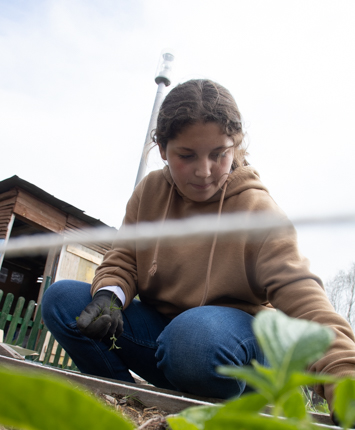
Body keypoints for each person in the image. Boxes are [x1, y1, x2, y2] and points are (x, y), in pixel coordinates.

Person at [42, 79, 355, 408]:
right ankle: (128, 403)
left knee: (192, 338)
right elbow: (125, 258)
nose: (204, 171)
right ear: (163, 148)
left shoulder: (257, 211)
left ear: (235, 146)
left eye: (219, 154)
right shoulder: (149, 192)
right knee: (62, 301)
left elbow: (305, 301)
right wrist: (109, 296)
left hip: (233, 348)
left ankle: (249, 403)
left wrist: (345, 381)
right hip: (166, 340)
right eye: (187, 155)